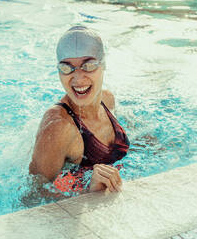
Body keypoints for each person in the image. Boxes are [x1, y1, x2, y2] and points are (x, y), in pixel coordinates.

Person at [28, 26, 130, 195]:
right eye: (67, 68)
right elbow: (31, 195)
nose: (78, 78)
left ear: (103, 65)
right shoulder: (58, 127)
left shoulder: (107, 99)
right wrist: (88, 191)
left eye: (88, 66)